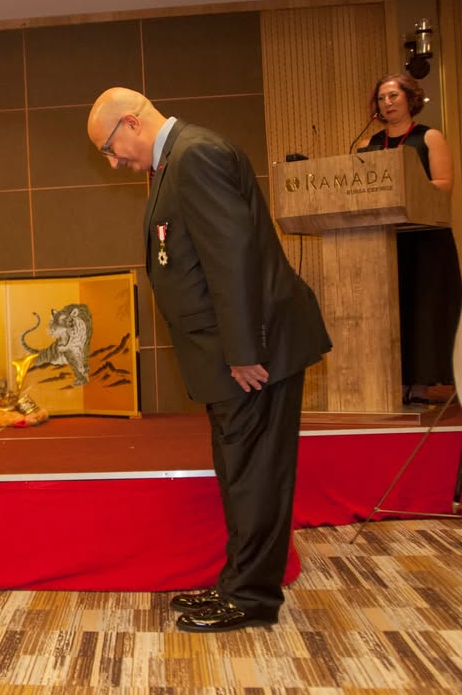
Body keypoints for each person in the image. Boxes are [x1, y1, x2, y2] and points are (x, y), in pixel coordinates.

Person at [87, 88, 331, 633]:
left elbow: (232, 256)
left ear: (131, 122)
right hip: (228, 355)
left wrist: (243, 352)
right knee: (240, 472)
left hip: (250, 355)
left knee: (255, 475)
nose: (113, 162)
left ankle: (252, 598)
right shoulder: (177, 160)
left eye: (109, 148)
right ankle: (237, 583)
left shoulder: (195, 155)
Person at [356, 73, 458, 404]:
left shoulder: (429, 137)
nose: (387, 102)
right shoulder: (368, 145)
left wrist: (406, 190)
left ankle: (421, 383)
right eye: (381, 98)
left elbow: (443, 184)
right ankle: (393, 379)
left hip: (425, 238)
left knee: (424, 310)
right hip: (385, 239)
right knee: (391, 309)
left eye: (393, 96)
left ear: (409, 99)